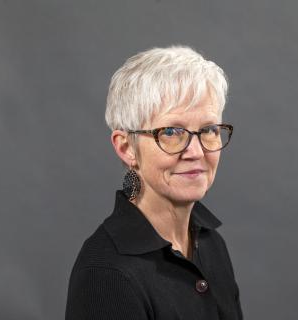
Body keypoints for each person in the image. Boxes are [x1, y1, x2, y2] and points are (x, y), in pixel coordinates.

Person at [65, 45, 243, 320]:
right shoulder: (106, 275)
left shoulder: (211, 243)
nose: (196, 152)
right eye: (171, 132)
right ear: (126, 148)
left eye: (208, 130)